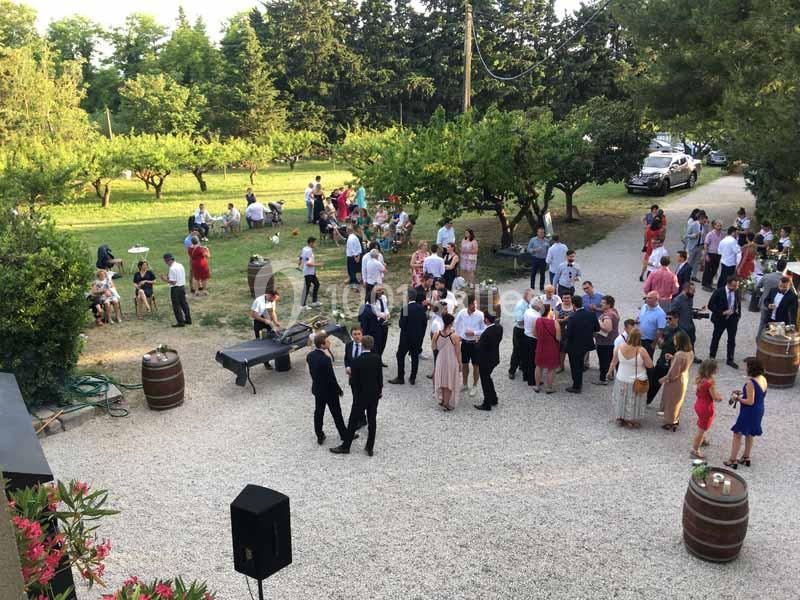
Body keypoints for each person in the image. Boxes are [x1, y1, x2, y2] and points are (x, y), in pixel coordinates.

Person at [329, 334, 382, 456]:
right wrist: (379, 391)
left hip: (360, 396)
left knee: (353, 421)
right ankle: (370, 447)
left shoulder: (357, 361)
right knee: (372, 420)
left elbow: (353, 381)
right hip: (374, 394)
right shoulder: (377, 358)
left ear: (362, 345)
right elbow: (379, 377)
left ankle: (346, 446)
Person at [724, 357, 767, 469]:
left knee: (737, 434)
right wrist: (742, 393)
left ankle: (732, 460)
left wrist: (737, 398)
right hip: (759, 409)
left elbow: (750, 401)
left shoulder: (750, 382)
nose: (744, 368)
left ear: (751, 368)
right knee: (750, 434)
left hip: (749, 412)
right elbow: (757, 395)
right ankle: (746, 457)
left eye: (746, 366)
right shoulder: (762, 378)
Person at [306, 333, 349, 446]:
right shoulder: (325, 359)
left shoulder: (310, 356)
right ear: (322, 344)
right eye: (327, 341)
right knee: (336, 413)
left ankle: (319, 435)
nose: (330, 343)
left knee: (319, 413)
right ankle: (344, 434)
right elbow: (331, 378)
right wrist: (339, 390)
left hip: (318, 390)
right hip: (329, 392)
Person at [608, 327, 653, 428]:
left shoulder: (620, 346)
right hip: (636, 380)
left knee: (621, 399)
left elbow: (613, 362)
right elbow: (650, 365)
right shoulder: (641, 350)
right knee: (633, 401)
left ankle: (620, 417)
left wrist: (609, 372)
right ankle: (631, 420)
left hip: (621, 377)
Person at [389, 289, 428, 385]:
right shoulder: (421, 308)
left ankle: (400, 377)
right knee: (415, 357)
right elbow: (424, 323)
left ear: (407, 297)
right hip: (417, 338)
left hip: (406, 338)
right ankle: (413, 377)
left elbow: (402, 324)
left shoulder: (405, 308)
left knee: (400, 355)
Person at [658, 330, 694, 431]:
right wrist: (673, 357)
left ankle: (670, 422)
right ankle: (675, 419)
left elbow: (674, 372)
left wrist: (665, 379)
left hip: (676, 381)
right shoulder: (690, 352)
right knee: (678, 400)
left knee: (671, 401)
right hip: (684, 377)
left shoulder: (679, 354)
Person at [647, 309, 683, 406]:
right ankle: (647, 400)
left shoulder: (681, 333)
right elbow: (661, 345)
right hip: (662, 361)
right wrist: (659, 341)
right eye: (666, 318)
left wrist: (674, 357)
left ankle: (667, 407)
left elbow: (685, 351)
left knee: (671, 387)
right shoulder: (666, 329)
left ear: (677, 319)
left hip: (673, 364)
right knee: (654, 382)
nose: (667, 320)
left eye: (670, 319)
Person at [563, 296, 598, 393]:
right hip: (586, 344)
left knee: (575, 366)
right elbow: (597, 328)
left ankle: (576, 386)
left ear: (573, 305)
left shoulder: (573, 317)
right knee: (580, 364)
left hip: (574, 345)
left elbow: (568, 334)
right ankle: (579, 383)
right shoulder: (591, 314)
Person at [691, 359, 723, 459]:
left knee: (701, 423)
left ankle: (702, 440)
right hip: (706, 407)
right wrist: (720, 397)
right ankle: (695, 449)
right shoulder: (710, 382)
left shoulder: (701, 379)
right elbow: (715, 398)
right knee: (702, 429)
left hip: (699, 404)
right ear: (712, 370)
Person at [454, 295, 485, 397]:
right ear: (468, 305)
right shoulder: (462, 313)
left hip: (476, 343)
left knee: (476, 365)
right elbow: (456, 324)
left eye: (475, 303)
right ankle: (464, 384)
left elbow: (484, 329)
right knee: (465, 364)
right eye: (472, 304)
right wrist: (460, 335)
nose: (474, 306)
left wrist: (474, 332)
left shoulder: (480, 315)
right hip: (465, 343)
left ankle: (475, 386)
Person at [708, 275, 742, 369]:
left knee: (731, 340)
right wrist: (722, 312)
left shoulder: (737, 291)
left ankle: (730, 359)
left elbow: (738, 304)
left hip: (733, 320)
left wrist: (738, 315)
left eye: (737, 286)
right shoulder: (719, 292)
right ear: (728, 284)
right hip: (720, 319)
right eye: (734, 286)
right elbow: (711, 305)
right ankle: (712, 357)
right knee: (716, 338)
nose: (735, 288)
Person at [473, 313, 503, 411]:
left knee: (485, 381)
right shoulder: (499, 328)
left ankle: (487, 404)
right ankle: (493, 398)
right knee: (488, 378)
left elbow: (479, 348)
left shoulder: (486, 333)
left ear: (486, 320)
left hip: (485, 361)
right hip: (494, 358)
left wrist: (477, 342)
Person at [432, 313, 461, 411]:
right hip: (451, 359)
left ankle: (442, 399)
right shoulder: (455, 336)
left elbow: (434, 347)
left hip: (441, 359)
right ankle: (446, 403)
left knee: (442, 380)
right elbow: (458, 352)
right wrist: (460, 363)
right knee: (449, 381)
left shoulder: (437, 334)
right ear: (450, 323)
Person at [534, 304, 561, 394]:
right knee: (551, 368)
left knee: (539, 366)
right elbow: (558, 338)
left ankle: (537, 386)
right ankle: (549, 388)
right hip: (552, 348)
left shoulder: (537, 320)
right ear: (549, 311)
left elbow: (534, 334)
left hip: (540, 346)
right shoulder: (555, 323)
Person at [508, 289, 535, 380]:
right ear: (526, 296)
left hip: (526, 330)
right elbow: (520, 322)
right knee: (517, 351)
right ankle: (512, 371)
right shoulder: (520, 305)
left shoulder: (529, 304)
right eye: (532, 296)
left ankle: (522, 366)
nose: (533, 297)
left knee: (525, 349)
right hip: (519, 331)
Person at [593, 295, 619, 386]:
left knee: (603, 361)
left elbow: (608, 328)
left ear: (609, 304)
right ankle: (610, 375)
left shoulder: (608, 315)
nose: (601, 304)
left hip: (605, 342)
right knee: (610, 359)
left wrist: (598, 322)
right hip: (612, 341)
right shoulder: (614, 311)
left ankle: (603, 379)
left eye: (603, 303)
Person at [160, 253, 191, 327]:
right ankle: (188, 319)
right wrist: (168, 277)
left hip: (175, 289)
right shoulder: (180, 265)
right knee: (184, 304)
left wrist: (164, 279)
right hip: (182, 287)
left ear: (167, 260)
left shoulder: (172, 268)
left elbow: (173, 282)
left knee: (176, 306)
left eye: (165, 261)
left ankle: (180, 322)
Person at [670, 282, 699, 352]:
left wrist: (696, 315)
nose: (694, 292)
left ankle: (692, 355)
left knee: (692, 341)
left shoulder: (690, 297)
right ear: (686, 289)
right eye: (693, 290)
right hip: (682, 327)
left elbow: (688, 310)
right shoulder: (677, 301)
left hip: (690, 325)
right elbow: (673, 315)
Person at [637, 291, 666, 357]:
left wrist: (654, 343)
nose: (647, 300)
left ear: (656, 299)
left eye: (649, 298)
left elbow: (660, 330)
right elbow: (640, 317)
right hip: (639, 338)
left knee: (646, 359)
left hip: (649, 341)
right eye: (646, 298)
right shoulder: (644, 306)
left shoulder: (660, 314)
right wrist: (637, 320)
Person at [522, 297, 542, 385]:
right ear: (537, 306)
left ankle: (525, 376)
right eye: (540, 305)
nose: (541, 306)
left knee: (526, 358)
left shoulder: (527, 311)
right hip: (533, 339)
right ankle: (532, 380)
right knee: (532, 361)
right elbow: (537, 331)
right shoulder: (537, 316)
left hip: (526, 336)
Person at [701, 220, 725, 290]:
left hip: (718, 254)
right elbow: (706, 245)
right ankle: (705, 284)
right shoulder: (710, 234)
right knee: (708, 269)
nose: (719, 227)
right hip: (710, 253)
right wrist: (706, 255)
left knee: (714, 269)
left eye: (720, 225)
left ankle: (709, 282)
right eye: (718, 225)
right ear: (714, 226)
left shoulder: (722, 234)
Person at [640, 217, 665, 281]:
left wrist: (644, 245)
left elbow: (645, 239)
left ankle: (642, 274)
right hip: (655, 248)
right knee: (655, 262)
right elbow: (661, 240)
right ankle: (651, 277)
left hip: (649, 247)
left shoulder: (648, 230)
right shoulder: (658, 231)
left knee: (646, 261)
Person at [299, 237, 322, 308]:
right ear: (311, 243)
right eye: (315, 243)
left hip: (310, 272)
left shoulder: (304, 248)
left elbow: (301, 257)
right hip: (308, 272)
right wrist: (318, 264)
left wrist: (299, 264)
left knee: (317, 284)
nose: (315, 244)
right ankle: (302, 305)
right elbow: (308, 263)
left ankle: (314, 301)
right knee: (307, 288)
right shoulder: (309, 251)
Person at [556, 293, 576, 372]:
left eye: (568, 298)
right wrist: (565, 320)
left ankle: (574, 366)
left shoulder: (574, 306)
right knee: (561, 349)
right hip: (562, 330)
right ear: (562, 298)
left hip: (573, 330)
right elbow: (556, 319)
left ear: (571, 298)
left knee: (573, 349)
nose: (566, 299)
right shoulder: (559, 306)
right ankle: (561, 366)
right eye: (564, 298)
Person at [685, 210, 707, 277]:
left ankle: (694, 276)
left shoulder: (705, 226)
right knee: (690, 261)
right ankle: (686, 275)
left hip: (700, 246)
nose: (705, 221)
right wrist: (694, 235)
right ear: (700, 218)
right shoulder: (693, 224)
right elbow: (686, 235)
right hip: (693, 246)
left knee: (697, 262)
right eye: (704, 219)